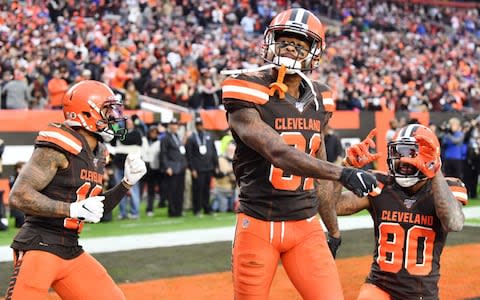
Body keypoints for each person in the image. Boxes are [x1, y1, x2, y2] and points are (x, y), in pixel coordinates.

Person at [221, 8, 377, 300]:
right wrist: (343, 172)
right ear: (271, 42)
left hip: (306, 226)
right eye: (285, 41)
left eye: (300, 43)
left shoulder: (322, 97)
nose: (291, 48)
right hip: (257, 224)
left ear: (313, 52)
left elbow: (318, 167)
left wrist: (334, 230)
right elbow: (277, 151)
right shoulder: (245, 87)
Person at [5, 80, 147, 300]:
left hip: (70, 248)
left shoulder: (99, 153)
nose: (114, 116)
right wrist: (71, 209)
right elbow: (19, 195)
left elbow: (95, 209)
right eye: (107, 110)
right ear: (86, 113)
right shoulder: (60, 144)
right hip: (39, 245)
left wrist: (126, 184)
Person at [337, 124, 467, 300]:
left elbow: (454, 223)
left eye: (411, 153)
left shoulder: (447, 188)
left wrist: (434, 170)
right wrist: (343, 169)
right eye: (399, 152)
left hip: (421, 293)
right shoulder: (379, 184)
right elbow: (332, 206)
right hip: (379, 286)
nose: (403, 160)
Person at [185, 117, 219, 216]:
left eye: (201, 124)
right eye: (198, 124)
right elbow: (189, 155)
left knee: (206, 189)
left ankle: (207, 208)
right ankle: (197, 209)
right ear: (196, 126)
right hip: (198, 169)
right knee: (197, 189)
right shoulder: (192, 138)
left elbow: (214, 151)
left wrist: (216, 165)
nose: (200, 126)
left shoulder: (209, 136)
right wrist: (192, 169)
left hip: (208, 167)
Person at [160, 118, 188, 217]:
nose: (174, 126)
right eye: (173, 124)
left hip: (180, 167)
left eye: (176, 124)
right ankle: (172, 211)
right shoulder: (165, 138)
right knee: (172, 191)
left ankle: (179, 211)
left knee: (180, 190)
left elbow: (181, 150)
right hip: (172, 167)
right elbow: (163, 154)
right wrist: (167, 167)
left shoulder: (177, 136)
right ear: (169, 126)